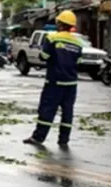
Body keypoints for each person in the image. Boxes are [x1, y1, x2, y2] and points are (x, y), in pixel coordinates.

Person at [23, 11, 82, 148]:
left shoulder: (52, 38)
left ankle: (38, 137)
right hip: (71, 83)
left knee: (47, 109)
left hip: (54, 81)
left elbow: (44, 56)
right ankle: (63, 140)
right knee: (67, 112)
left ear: (60, 24)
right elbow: (79, 61)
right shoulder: (78, 43)